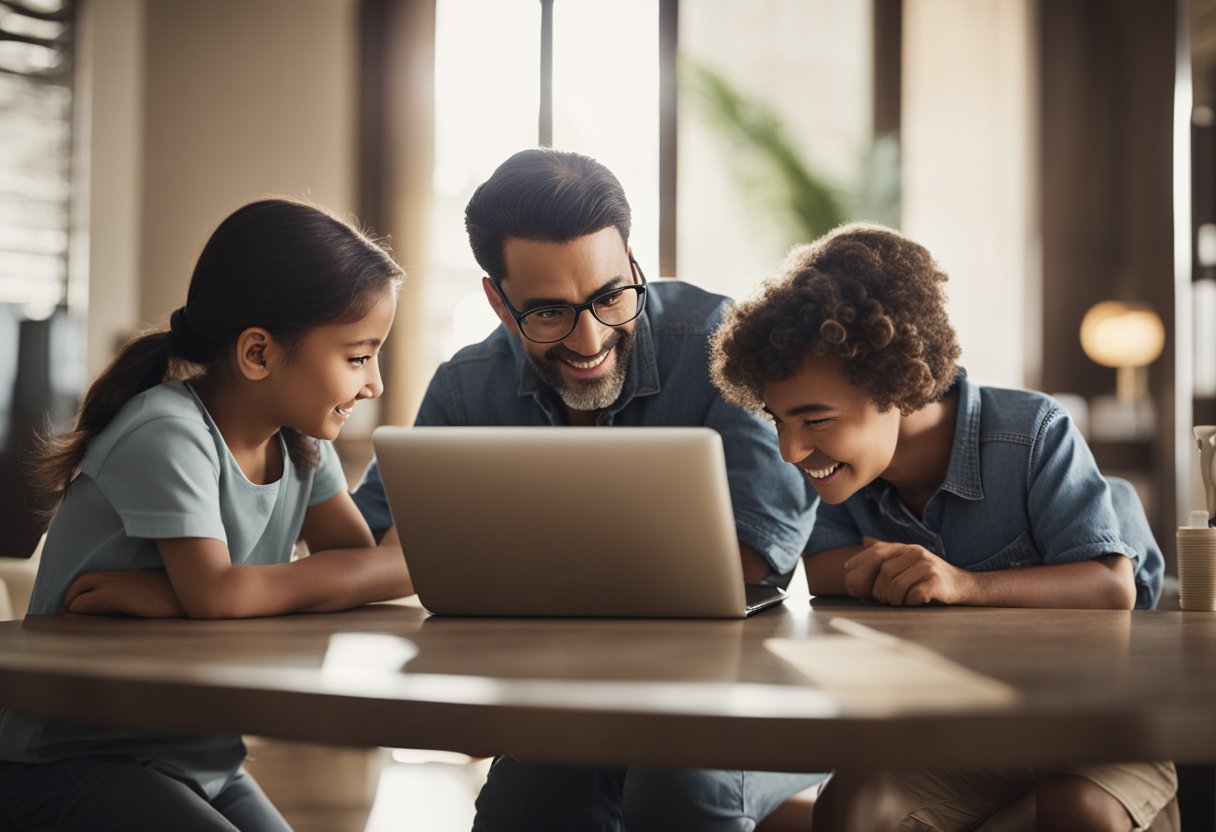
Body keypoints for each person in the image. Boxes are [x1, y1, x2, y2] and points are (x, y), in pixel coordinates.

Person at [351, 147, 824, 831]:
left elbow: (750, 560)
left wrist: (519, 582)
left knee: (680, 789)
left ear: (632, 264)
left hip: (733, 693)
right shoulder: (466, 386)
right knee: (515, 816)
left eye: (609, 296)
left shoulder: (728, 350)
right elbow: (384, 544)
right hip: (558, 697)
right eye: (549, 313)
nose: (590, 337)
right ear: (498, 300)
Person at [709, 222, 1177, 832]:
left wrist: (962, 585)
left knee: (1079, 811)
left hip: (1099, 727)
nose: (790, 450)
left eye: (815, 420)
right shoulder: (837, 469)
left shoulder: (1032, 432)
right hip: (965, 738)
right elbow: (823, 569)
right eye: (779, 421)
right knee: (851, 805)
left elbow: (1110, 589)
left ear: (898, 390)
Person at [0, 198, 412, 832]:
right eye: (358, 357)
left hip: (202, 758)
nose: (374, 384)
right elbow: (229, 593)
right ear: (257, 354)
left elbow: (354, 572)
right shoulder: (168, 431)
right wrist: (214, 595)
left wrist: (177, 599)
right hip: (70, 759)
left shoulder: (302, 444)